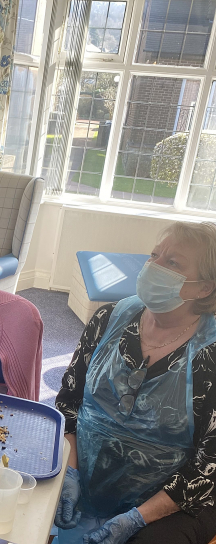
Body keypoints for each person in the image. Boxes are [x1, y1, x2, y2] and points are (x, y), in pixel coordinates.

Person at [54, 221, 216, 544]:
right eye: (155, 255)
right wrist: (69, 473)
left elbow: (208, 466)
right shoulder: (108, 320)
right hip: (84, 481)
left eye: (172, 263)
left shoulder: (209, 357)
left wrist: (136, 519)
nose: (154, 266)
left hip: (171, 504)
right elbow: (67, 405)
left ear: (205, 288)